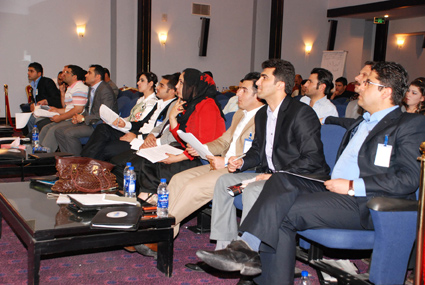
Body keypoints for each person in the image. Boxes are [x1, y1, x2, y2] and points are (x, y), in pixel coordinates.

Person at [196, 61, 425, 285]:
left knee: (279, 210)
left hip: (367, 202)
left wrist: (355, 186)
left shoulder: (409, 124)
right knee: (280, 183)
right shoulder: (361, 123)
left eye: (366, 83)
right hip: (333, 190)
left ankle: (245, 251)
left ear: (386, 91)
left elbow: (409, 178)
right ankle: (251, 257)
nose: (358, 86)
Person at [205, 59, 329, 256]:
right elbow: (257, 151)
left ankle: (246, 253)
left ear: (280, 85)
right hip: (269, 175)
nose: (258, 83)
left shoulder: (301, 113)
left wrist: (277, 175)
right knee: (224, 182)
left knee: (254, 189)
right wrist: (242, 161)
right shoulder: (263, 114)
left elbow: (312, 159)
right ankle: (224, 247)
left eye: (264, 78)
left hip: (297, 179)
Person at [167, 72, 264, 238]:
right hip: (222, 164)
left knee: (193, 187)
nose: (237, 93)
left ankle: (161, 230)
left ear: (258, 95)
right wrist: (202, 148)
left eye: (244, 90)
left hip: (242, 170)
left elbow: (256, 155)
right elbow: (223, 142)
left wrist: (225, 162)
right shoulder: (240, 114)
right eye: (239, 89)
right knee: (178, 180)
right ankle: (164, 230)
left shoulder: (264, 118)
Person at [110, 68, 226, 199]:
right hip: (187, 152)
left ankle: (147, 199)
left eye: (181, 82)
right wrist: (172, 118)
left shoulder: (207, 105)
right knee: (147, 160)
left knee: (155, 164)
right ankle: (144, 197)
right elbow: (182, 138)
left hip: (201, 159)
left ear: (191, 86)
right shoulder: (191, 104)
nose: (177, 86)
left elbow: (203, 145)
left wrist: (177, 158)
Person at [81, 73, 178, 161]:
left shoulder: (171, 107)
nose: (157, 87)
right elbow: (143, 122)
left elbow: (160, 131)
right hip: (138, 132)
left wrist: (137, 136)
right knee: (102, 128)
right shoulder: (159, 103)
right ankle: (82, 162)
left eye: (161, 86)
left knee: (107, 147)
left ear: (172, 91)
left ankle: (85, 166)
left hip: (143, 137)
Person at [55, 64, 117, 155]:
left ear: (97, 76)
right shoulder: (92, 88)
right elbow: (89, 109)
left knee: (69, 133)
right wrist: (78, 117)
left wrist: (84, 119)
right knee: (59, 131)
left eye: (89, 73)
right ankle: (67, 159)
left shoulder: (105, 90)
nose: (85, 75)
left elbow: (105, 114)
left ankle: (78, 163)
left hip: (99, 125)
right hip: (90, 121)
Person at [38, 65, 88, 152]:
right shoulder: (71, 87)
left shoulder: (79, 88)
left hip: (77, 120)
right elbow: (68, 108)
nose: (63, 74)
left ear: (74, 77)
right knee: (46, 128)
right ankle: (37, 151)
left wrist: (60, 117)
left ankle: (44, 156)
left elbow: (78, 110)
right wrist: (56, 110)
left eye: (67, 72)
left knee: (53, 130)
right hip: (70, 118)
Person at [23, 62, 62, 134]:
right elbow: (35, 99)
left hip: (49, 110)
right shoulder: (33, 85)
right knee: (24, 117)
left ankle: (34, 139)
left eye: (31, 71)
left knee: (32, 119)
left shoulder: (47, 82)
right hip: (39, 110)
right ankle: (30, 138)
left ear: (39, 73)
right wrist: (32, 103)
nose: (28, 73)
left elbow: (57, 99)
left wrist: (47, 101)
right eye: (28, 71)